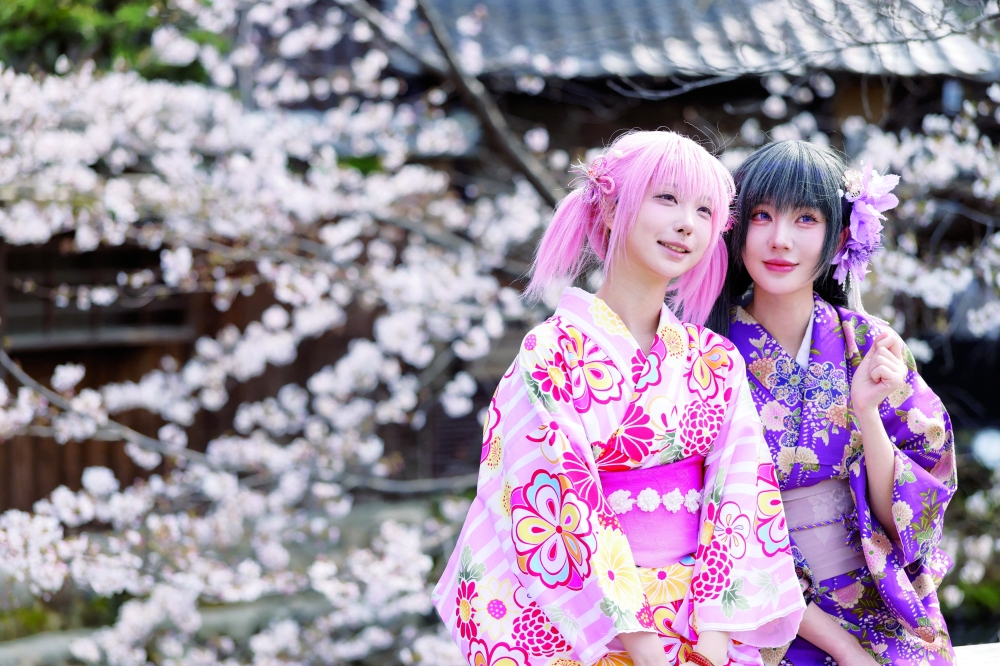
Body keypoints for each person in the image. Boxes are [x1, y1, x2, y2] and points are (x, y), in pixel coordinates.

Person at [433, 131, 805, 666]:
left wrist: (716, 630)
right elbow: (555, 500)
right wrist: (638, 641)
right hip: (589, 630)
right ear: (610, 209)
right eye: (668, 199)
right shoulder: (552, 353)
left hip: (699, 625)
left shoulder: (716, 361)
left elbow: (741, 493)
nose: (687, 223)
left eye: (705, 210)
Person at [708, 140, 957, 665]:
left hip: (876, 602)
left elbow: (907, 517)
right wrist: (842, 649)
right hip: (756, 608)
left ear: (840, 235)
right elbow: (704, 523)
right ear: (735, 227)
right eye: (762, 215)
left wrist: (867, 415)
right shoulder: (706, 351)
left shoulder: (872, 345)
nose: (779, 239)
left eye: (804, 218)